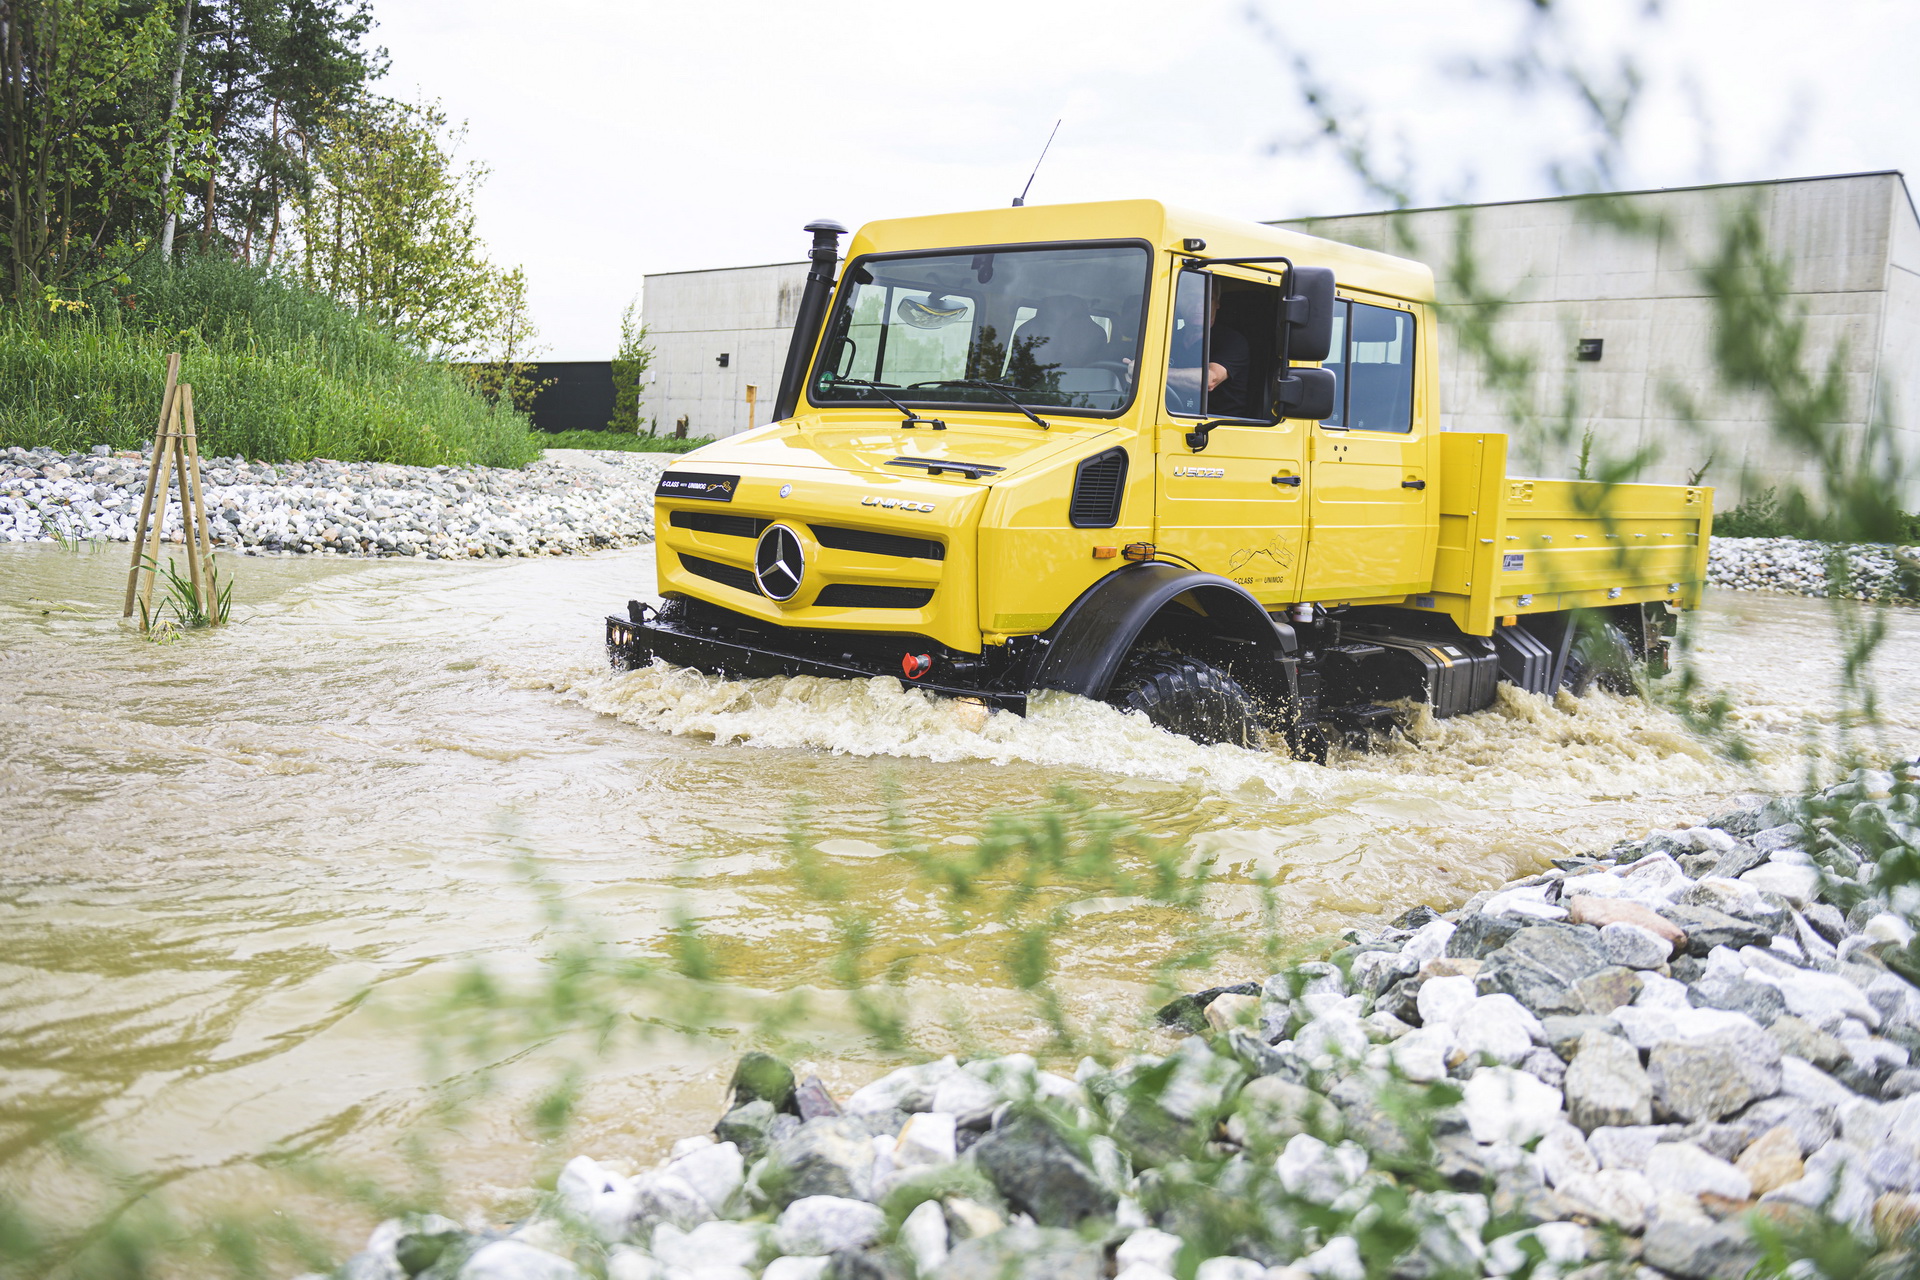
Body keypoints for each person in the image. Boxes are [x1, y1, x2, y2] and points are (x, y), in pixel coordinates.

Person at [1165, 281, 1250, 416]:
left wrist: (1151, 373)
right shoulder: (1168, 339)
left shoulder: (1232, 341)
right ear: (1180, 303)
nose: (1198, 305)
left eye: (1207, 298)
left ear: (1217, 304)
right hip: (1169, 418)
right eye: (1191, 297)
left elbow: (1209, 380)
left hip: (1218, 427)